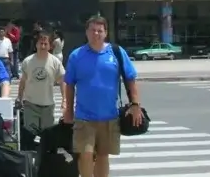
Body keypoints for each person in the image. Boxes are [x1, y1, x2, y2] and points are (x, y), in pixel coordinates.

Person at [63, 16, 142, 177]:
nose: (96, 34)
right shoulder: (76, 56)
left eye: (100, 30)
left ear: (105, 33)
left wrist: (135, 104)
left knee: (102, 156)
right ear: (86, 32)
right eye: (92, 30)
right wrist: (68, 110)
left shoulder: (116, 52)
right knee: (85, 154)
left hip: (109, 116)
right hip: (84, 117)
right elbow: (69, 84)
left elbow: (130, 78)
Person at [16, 31, 66, 150]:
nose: (43, 46)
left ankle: (45, 162)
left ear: (50, 46)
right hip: (30, 104)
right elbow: (23, 81)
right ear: (36, 44)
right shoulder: (28, 61)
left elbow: (62, 82)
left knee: (47, 136)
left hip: (48, 105)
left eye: (45, 44)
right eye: (41, 43)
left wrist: (65, 100)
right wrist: (19, 97)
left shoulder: (55, 62)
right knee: (28, 135)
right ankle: (27, 161)